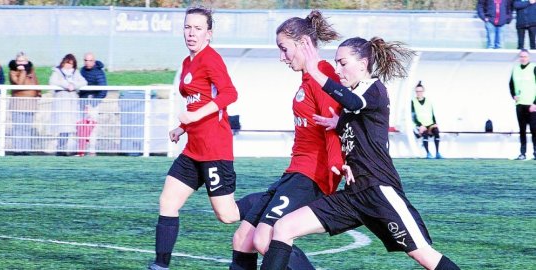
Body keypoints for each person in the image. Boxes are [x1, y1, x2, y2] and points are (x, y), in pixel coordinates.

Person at [260, 36, 460, 270]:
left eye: (343, 63)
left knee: (424, 255)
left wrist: (315, 72)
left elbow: (354, 103)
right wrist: (344, 153)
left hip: (378, 191)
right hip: (353, 195)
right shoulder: (351, 104)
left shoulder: (374, 89)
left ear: (363, 64)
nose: (338, 69)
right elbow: (356, 136)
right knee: (284, 227)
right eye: (336, 63)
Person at [230, 10, 345, 270]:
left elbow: (332, 127)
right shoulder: (308, 79)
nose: (281, 57)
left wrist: (336, 166)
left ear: (304, 43)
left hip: (311, 176)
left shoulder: (323, 76)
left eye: (284, 49)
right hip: (294, 173)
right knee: (243, 239)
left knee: (264, 239)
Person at [148, 7, 260, 270]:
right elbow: (199, 99)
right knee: (167, 201)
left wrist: (194, 116)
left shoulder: (211, 59)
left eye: (198, 28)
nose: (191, 33)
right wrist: (182, 128)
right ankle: (160, 265)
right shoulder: (188, 62)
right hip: (192, 150)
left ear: (208, 34)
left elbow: (229, 94)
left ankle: (268, 200)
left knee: (228, 215)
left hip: (214, 149)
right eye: (187, 27)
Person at [49, 53, 88, 156]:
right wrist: (66, 85)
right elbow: (52, 81)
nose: (69, 65)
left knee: (73, 128)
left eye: (71, 64)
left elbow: (84, 82)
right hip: (61, 104)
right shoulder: (57, 72)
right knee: (63, 128)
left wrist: (74, 85)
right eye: (67, 63)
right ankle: (61, 149)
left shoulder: (76, 73)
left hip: (73, 104)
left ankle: (73, 149)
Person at [8, 52, 40, 155]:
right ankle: (17, 150)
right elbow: (19, 84)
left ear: (27, 61)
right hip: (18, 103)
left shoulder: (32, 71)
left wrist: (38, 93)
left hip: (30, 104)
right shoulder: (13, 72)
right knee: (18, 127)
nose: (21, 63)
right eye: (19, 61)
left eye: (23, 61)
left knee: (27, 127)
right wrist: (22, 71)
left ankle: (26, 149)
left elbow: (36, 83)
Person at [509, 49, 536, 160]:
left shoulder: (534, 68)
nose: (523, 58)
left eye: (525, 56)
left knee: (534, 130)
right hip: (520, 105)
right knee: (522, 130)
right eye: (521, 56)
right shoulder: (515, 69)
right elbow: (511, 84)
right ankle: (522, 153)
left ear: (528, 57)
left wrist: (535, 103)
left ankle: (535, 152)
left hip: (532, 106)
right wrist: (513, 95)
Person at [79, 52, 107, 156]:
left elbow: (103, 90)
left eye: (90, 60)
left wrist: (94, 102)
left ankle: (92, 149)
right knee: (82, 126)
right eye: (86, 60)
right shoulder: (82, 70)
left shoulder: (99, 72)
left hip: (93, 104)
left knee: (92, 126)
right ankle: (81, 149)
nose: (87, 63)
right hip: (83, 102)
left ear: (94, 61)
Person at [411, 81, 443, 159]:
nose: (419, 93)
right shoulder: (413, 102)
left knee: (436, 131)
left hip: (430, 124)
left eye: (420, 91)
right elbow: (413, 116)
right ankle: (428, 153)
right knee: (424, 133)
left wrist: (435, 123)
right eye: (417, 91)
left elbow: (432, 114)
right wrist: (420, 125)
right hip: (419, 125)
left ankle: (437, 153)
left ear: (423, 91)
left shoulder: (428, 101)